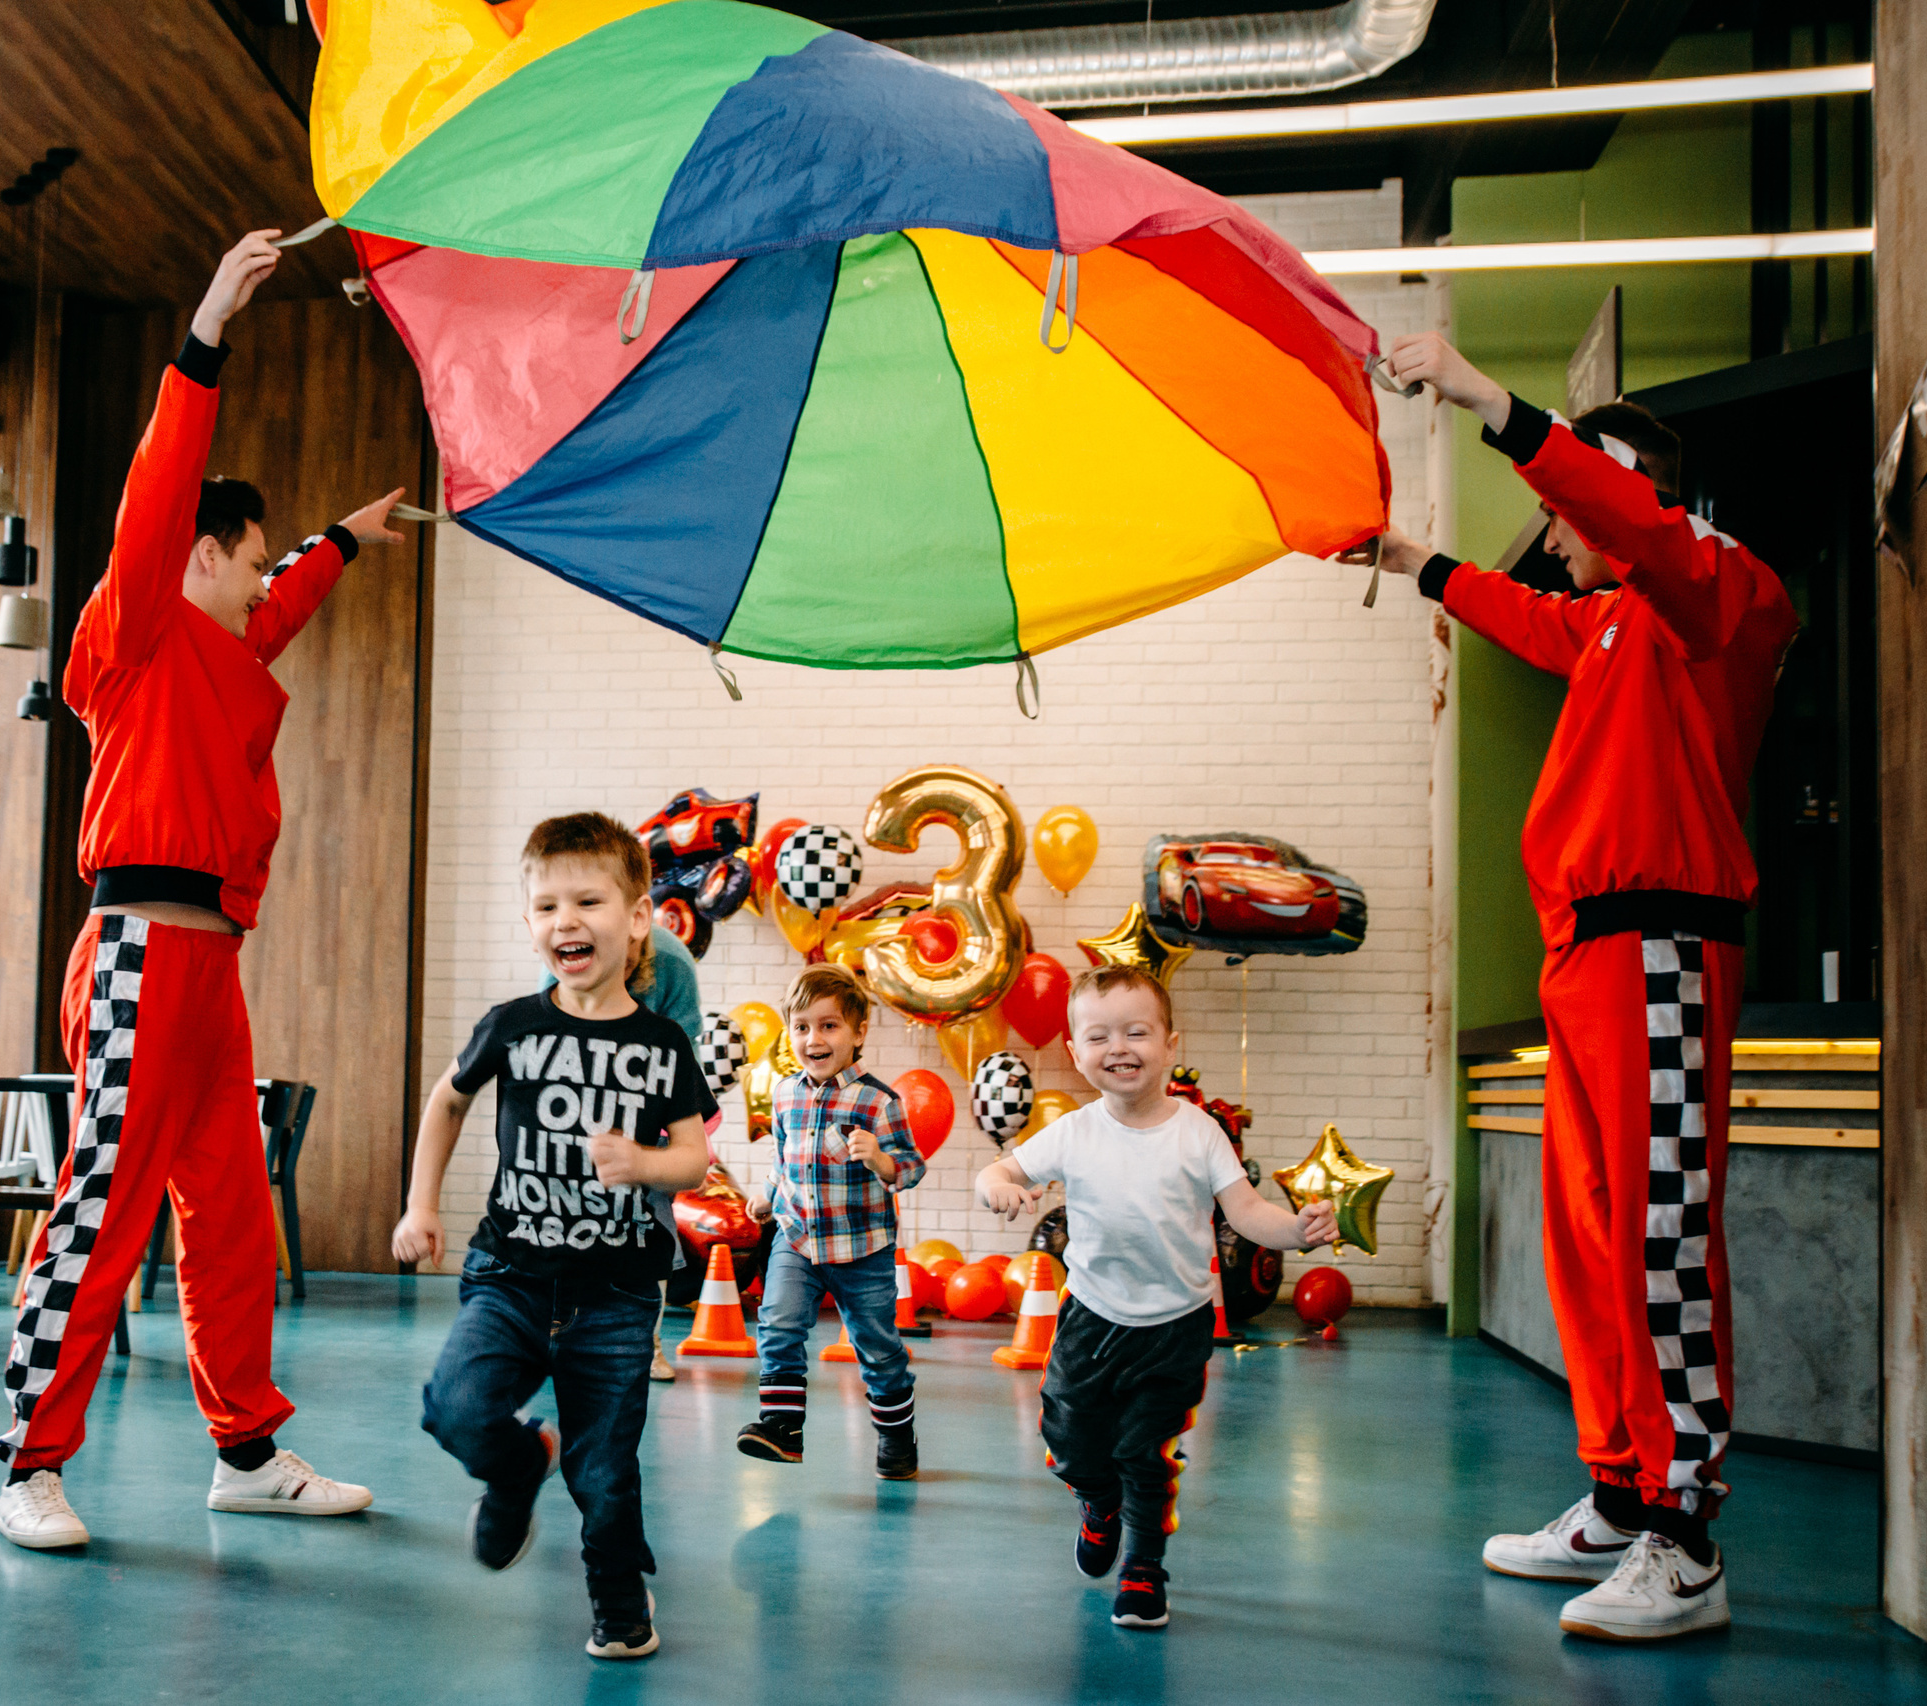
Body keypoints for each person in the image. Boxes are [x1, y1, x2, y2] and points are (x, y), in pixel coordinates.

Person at [1352, 330, 1795, 1642]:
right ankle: (1615, 1493)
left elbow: (1627, 527)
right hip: (1590, 956)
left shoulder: (1725, 595)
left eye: (1563, 511)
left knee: (1656, 1235)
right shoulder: (1607, 628)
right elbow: (1526, 615)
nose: (1553, 539)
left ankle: (1684, 1534)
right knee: (1590, 1240)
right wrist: (1404, 559)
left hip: (1664, 942)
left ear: (1627, 492)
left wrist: (1492, 402)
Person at [0, 230, 406, 1551]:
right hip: (133, 954)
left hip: (211, 967)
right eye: (258, 555)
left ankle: (246, 1449)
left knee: (228, 1210)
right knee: (100, 1204)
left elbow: (283, 607)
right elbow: (158, 492)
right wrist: (209, 327)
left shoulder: (229, 654)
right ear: (205, 555)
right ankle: (31, 1463)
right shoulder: (135, 629)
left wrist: (342, 537)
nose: (266, 576)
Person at [393, 813, 716, 1661]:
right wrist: (420, 1206)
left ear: (639, 917)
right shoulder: (515, 1024)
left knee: (605, 1472)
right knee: (456, 1407)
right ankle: (513, 1465)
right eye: (545, 906)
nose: (565, 920)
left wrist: (643, 1165)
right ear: (530, 922)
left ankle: (617, 1596)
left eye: (588, 901)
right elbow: (449, 1100)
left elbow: (693, 1157)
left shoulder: (663, 1043)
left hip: (614, 1295)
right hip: (511, 1272)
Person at [976, 966, 1334, 1631]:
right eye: (1099, 1035)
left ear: (1171, 1042)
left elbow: (1247, 1212)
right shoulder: (1074, 1132)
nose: (1120, 1047)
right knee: (1070, 1437)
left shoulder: (1199, 1133)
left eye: (1137, 1032)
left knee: (1148, 1449)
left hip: (1176, 1326)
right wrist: (996, 1185)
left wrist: (1297, 1232)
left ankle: (1144, 1567)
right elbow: (998, 1169)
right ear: (1077, 1052)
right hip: (1090, 1321)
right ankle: (1097, 1500)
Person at [735, 963, 925, 1479]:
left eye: (828, 1025)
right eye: (801, 1027)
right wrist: (766, 1196)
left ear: (858, 1032)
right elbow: (784, 1157)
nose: (813, 1038)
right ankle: (782, 1428)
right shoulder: (784, 1095)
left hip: (862, 1249)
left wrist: (882, 1161)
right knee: (776, 1324)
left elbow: (911, 1167)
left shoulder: (879, 1102)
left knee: (878, 1349)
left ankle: (896, 1437)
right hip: (797, 1240)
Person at [549, 922, 701, 1382]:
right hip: (579, 1117)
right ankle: (561, 1330)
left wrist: (647, 1149)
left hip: (648, 1120)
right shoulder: (565, 967)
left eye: (631, 958)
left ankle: (646, 1342)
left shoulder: (673, 966)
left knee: (648, 1233)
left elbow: (683, 1062)